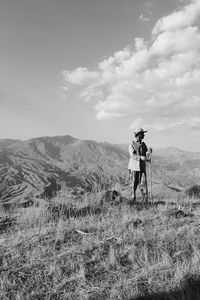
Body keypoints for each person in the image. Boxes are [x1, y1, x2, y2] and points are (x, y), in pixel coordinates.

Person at [128, 128, 152, 203]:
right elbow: (132, 155)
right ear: (138, 135)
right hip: (134, 167)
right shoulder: (132, 143)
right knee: (133, 184)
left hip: (142, 167)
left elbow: (145, 155)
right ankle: (132, 201)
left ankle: (145, 201)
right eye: (142, 134)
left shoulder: (143, 144)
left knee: (143, 184)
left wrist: (149, 153)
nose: (144, 135)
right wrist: (141, 157)